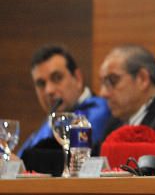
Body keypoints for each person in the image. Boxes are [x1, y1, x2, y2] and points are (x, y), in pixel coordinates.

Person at [18, 44, 112, 174]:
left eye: (57, 78)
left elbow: (77, 162)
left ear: (78, 78)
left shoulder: (98, 111)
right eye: (41, 84)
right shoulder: (49, 122)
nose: (49, 90)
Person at [94, 45, 155, 150]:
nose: (103, 93)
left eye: (112, 81)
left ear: (142, 79)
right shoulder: (113, 124)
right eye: (103, 83)